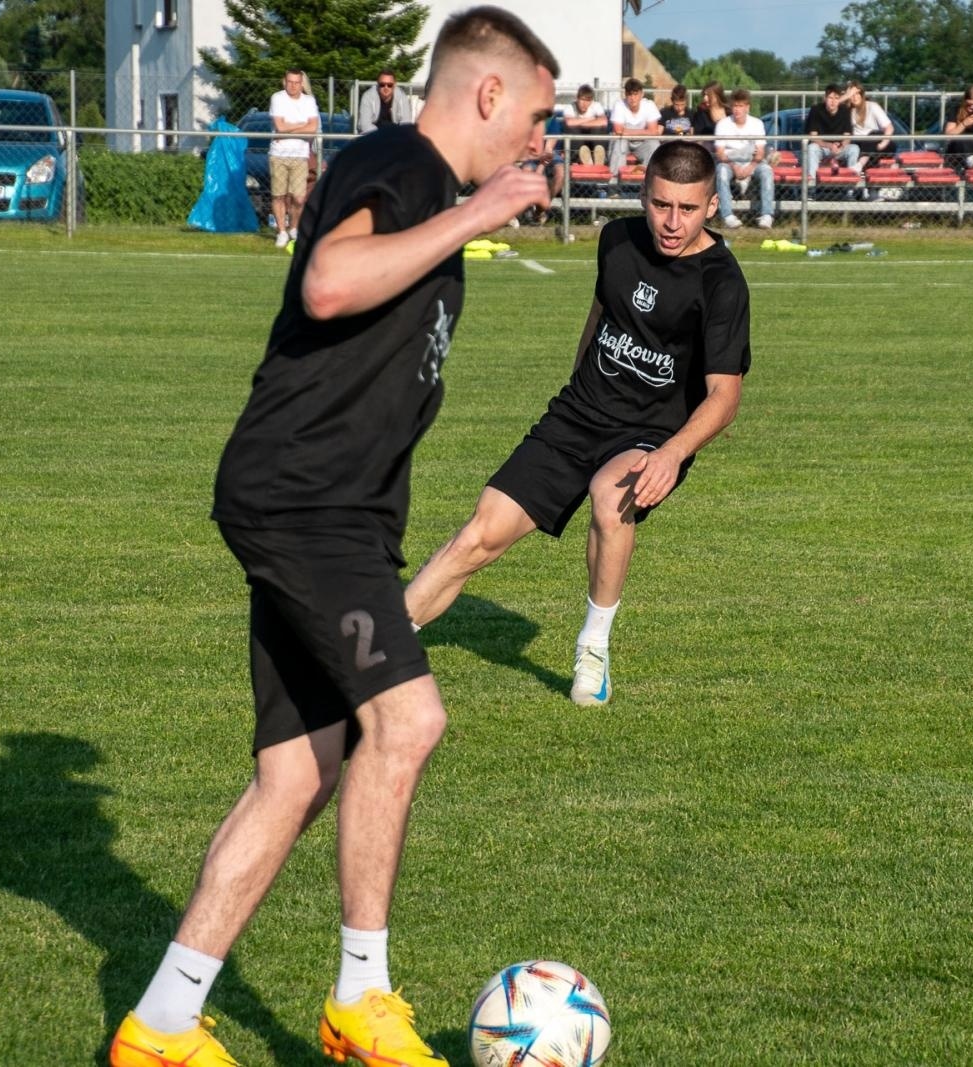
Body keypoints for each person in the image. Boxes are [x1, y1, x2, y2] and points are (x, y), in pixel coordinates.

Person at [106, 9, 558, 1067]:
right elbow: (329, 281)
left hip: (326, 510)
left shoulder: (427, 192)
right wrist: (478, 210)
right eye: (534, 114)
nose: (538, 139)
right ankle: (362, 995)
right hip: (307, 505)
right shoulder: (397, 162)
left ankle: (161, 1024)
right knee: (408, 722)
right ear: (486, 93)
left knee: (299, 769)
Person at [403, 138, 750, 709]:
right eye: (662, 205)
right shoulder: (616, 240)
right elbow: (602, 311)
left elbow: (724, 395)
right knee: (478, 536)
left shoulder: (722, 283)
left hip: (650, 435)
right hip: (576, 416)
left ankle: (594, 646)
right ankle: (381, 650)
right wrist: (575, 392)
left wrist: (672, 454)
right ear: (644, 194)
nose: (672, 221)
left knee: (610, 495)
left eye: (688, 209)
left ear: (711, 206)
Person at [268, 70, 320, 248]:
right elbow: (279, 126)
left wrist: (289, 128)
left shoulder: (309, 101)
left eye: (297, 82)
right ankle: (282, 231)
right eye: (290, 82)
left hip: (300, 154)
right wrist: (301, 126)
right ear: (284, 82)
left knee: (298, 198)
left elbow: (313, 127)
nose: (293, 85)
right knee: (278, 195)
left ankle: (294, 227)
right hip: (279, 154)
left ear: (302, 83)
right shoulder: (278, 98)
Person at [714, 88, 774, 230]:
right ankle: (727, 215)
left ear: (747, 107)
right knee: (721, 172)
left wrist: (749, 168)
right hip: (729, 162)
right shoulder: (723, 124)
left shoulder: (757, 123)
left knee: (767, 171)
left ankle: (767, 215)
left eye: (740, 106)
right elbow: (720, 153)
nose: (737, 110)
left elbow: (760, 153)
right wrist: (735, 167)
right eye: (735, 106)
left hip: (752, 162)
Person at [609, 77, 663, 177]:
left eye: (635, 94)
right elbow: (618, 130)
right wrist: (645, 131)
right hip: (624, 141)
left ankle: (649, 179)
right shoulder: (619, 105)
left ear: (642, 94)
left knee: (654, 144)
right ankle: (615, 184)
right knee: (619, 143)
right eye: (630, 94)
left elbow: (654, 131)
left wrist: (626, 131)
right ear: (625, 95)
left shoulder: (649, 105)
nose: (632, 98)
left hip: (642, 143)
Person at [804, 84, 859, 178]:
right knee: (812, 148)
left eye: (836, 98)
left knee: (854, 149)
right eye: (830, 98)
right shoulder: (816, 110)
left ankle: (850, 189)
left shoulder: (845, 110)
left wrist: (841, 146)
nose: (833, 102)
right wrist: (829, 145)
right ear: (825, 98)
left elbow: (847, 136)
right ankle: (811, 187)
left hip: (839, 148)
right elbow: (813, 137)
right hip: (822, 148)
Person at [846, 80, 894, 167]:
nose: (855, 97)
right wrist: (846, 96)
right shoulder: (848, 111)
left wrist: (884, 143)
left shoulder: (872, 106)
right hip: (858, 143)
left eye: (857, 93)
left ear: (862, 94)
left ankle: (859, 165)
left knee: (875, 134)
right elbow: (834, 106)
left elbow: (889, 128)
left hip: (874, 142)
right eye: (852, 95)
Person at [559, 84, 609, 167]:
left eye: (588, 101)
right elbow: (569, 123)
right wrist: (591, 118)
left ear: (591, 101)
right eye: (582, 100)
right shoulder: (570, 107)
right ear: (577, 98)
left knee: (598, 129)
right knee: (572, 129)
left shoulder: (596, 106)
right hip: (578, 142)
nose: (584, 104)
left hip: (592, 140)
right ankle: (579, 157)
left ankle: (598, 157)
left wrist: (579, 123)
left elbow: (604, 121)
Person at [357, 69, 414, 133]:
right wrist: (381, 136)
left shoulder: (402, 97)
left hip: (395, 136)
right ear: (378, 85)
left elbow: (406, 123)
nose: (386, 87)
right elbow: (364, 124)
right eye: (382, 85)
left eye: (389, 85)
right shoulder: (368, 96)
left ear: (394, 85)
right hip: (374, 136)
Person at [690, 80, 728, 155]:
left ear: (717, 96)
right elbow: (697, 137)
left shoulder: (729, 112)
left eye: (708, 95)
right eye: (704, 95)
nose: (705, 98)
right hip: (707, 151)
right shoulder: (701, 113)